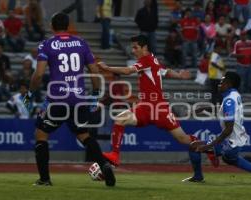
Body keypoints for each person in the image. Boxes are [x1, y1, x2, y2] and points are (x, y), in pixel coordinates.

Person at [22, 12, 115, 187]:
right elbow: (94, 72)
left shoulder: (47, 44)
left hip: (58, 100)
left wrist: (30, 93)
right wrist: (95, 95)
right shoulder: (81, 43)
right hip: (78, 99)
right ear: (68, 25)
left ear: (52, 26)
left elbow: (39, 74)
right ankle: (104, 164)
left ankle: (44, 179)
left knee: (41, 134)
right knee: (84, 135)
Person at [97, 35, 201, 167]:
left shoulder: (146, 60)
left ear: (144, 47)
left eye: (136, 47)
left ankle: (209, 148)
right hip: (145, 107)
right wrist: (179, 75)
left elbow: (127, 71)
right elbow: (165, 71)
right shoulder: (153, 59)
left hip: (159, 108)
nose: (133, 50)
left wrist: (107, 68)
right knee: (120, 119)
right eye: (132, 48)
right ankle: (115, 155)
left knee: (183, 139)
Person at [186, 71, 251, 183]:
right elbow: (223, 111)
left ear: (228, 84)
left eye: (221, 82)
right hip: (235, 140)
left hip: (231, 142)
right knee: (232, 159)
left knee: (195, 147)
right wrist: (204, 108)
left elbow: (228, 129)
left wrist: (210, 145)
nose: (219, 84)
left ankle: (204, 166)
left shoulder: (229, 100)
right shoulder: (234, 95)